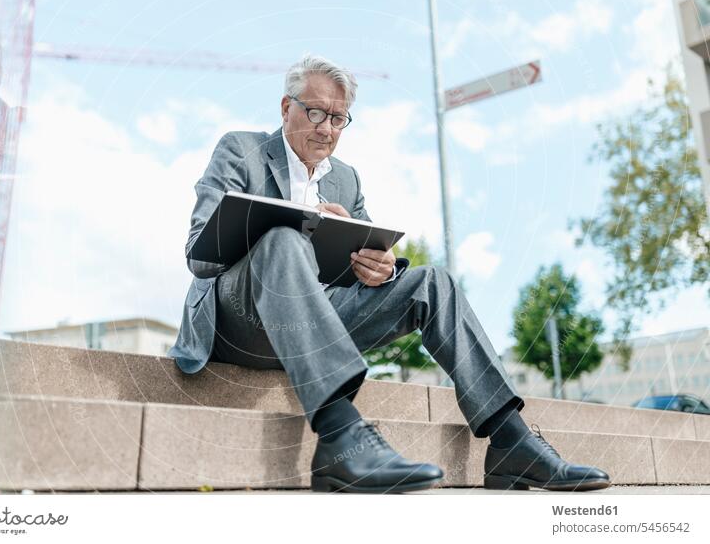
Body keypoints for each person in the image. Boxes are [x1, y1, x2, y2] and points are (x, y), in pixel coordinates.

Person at [168, 53, 611, 494]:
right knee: (283, 240)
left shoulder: (346, 179)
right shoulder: (240, 150)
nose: (326, 128)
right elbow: (199, 257)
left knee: (433, 282)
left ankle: (512, 440)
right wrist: (281, 226)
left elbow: (364, 265)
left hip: (316, 323)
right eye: (316, 112)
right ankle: (342, 437)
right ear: (287, 108)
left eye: (339, 119)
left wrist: (378, 270)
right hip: (241, 322)